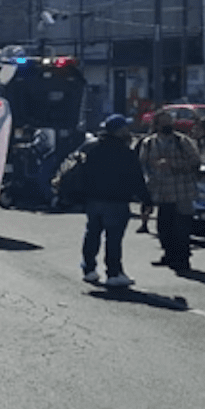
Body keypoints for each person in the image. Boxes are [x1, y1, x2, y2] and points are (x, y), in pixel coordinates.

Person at [78, 115, 150, 287]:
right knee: (114, 238)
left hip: (94, 199)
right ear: (120, 131)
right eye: (126, 128)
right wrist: (146, 200)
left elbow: (82, 174)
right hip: (117, 200)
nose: (129, 131)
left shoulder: (91, 148)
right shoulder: (126, 152)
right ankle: (113, 272)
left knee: (92, 234)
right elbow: (136, 179)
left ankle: (89, 269)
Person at [138, 110, 199, 273]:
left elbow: (195, 163)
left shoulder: (182, 141)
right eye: (163, 122)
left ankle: (182, 260)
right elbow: (143, 165)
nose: (167, 125)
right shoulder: (149, 143)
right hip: (162, 192)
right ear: (156, 125)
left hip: (182, 192)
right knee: (164, 228)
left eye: (169, 122)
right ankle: (169, 255)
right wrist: (154, 167)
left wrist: (174, 165)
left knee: (182, 229)